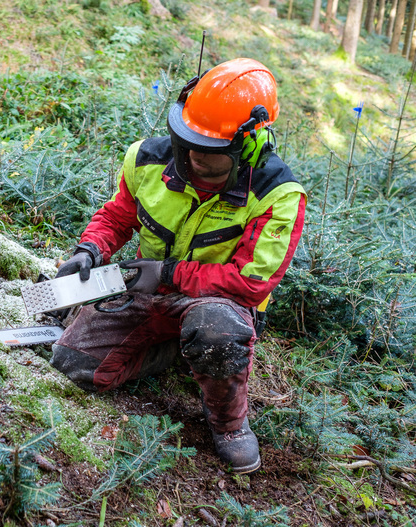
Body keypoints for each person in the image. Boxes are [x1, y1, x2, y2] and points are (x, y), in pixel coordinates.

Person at [50, 58, 306, 474]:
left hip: (221, 306)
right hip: (147, 294)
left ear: (251, 147)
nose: (197, 159)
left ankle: (229, 424)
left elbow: (250, 284)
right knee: (73, 364)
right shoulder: (147, 160)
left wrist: (169, 274)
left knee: (215, 331)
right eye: (190, 145)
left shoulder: (277, 195)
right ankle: (175, 351)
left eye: (213, 155)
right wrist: (90, 250)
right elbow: (117, 217)